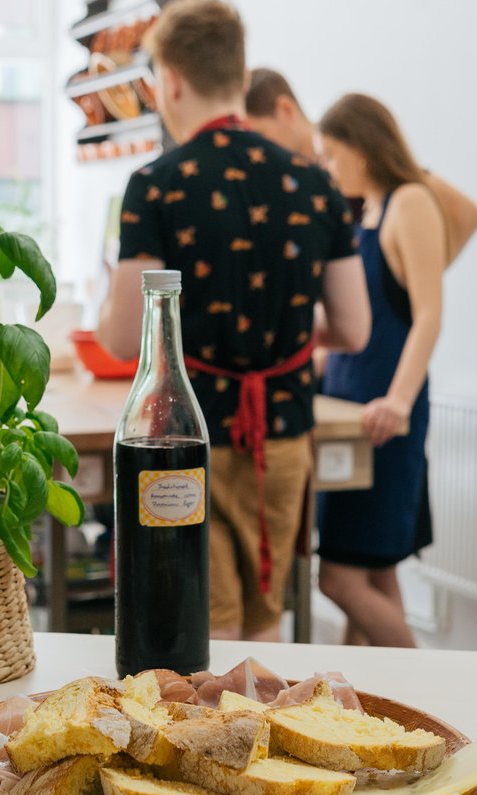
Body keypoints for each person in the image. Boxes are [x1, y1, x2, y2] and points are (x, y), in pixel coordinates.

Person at [96, 0, 371, 643]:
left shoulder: (156, 184)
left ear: (171, 83)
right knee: (263, 619)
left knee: (204, 622)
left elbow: (118, 335)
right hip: (282, 433)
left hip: (188, 434)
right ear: (242, 79)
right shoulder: (314, 183)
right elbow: (354, 329)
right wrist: (280, 334)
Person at [314, 94, 448, 649]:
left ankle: (428, 690)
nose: (328, 168)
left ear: (363, 150)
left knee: (339, 578)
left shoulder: (410, 203)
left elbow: (429, 314)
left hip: (381, 419)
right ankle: (364, 715)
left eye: (332, 155)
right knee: (374, 572)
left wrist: (396, 402)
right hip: (347, 411)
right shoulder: (362, 211)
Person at [245, 68, 477, 268]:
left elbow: (467, 214)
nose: (259, 152)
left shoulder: (349, 148)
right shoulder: (286, 183)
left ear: (286, 109)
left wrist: (411, 283)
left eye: (262, 135)